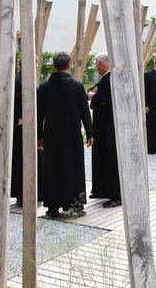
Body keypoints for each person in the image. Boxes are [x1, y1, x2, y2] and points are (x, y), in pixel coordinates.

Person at [38, 52, 93, 218]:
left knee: (53, 168)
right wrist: (90, 133)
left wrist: (39, 137)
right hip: (72, 134)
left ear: (54, 66)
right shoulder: (76, 86)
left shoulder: (45, 87)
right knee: (73, 168)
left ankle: (53, 207)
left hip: (52, 135)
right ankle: (75, 205)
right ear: (69, 65)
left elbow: (39, 114)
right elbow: (85, 112)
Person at [87, 53, 121, 208]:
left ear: (103, 63)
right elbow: (96, 96)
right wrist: (94, 95)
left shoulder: (111, 79)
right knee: (102, 156)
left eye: (97, 63)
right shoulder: (105, 79)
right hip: (103, 125)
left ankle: (116, 195)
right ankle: (102, 189)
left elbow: (100, 99)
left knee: (110, 158)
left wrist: (93, 96)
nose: (96, 66)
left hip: (109, 126)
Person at [10, 68, 44, 206]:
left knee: (32, 159)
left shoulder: (26, 79)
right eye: (35, 62)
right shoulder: (18, 81)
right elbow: (10, 102)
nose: (36, 65)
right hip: (21, 130)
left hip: (30, 126)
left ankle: (32, 192)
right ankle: (22, 194)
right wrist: (17, 120)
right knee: (22, 160)